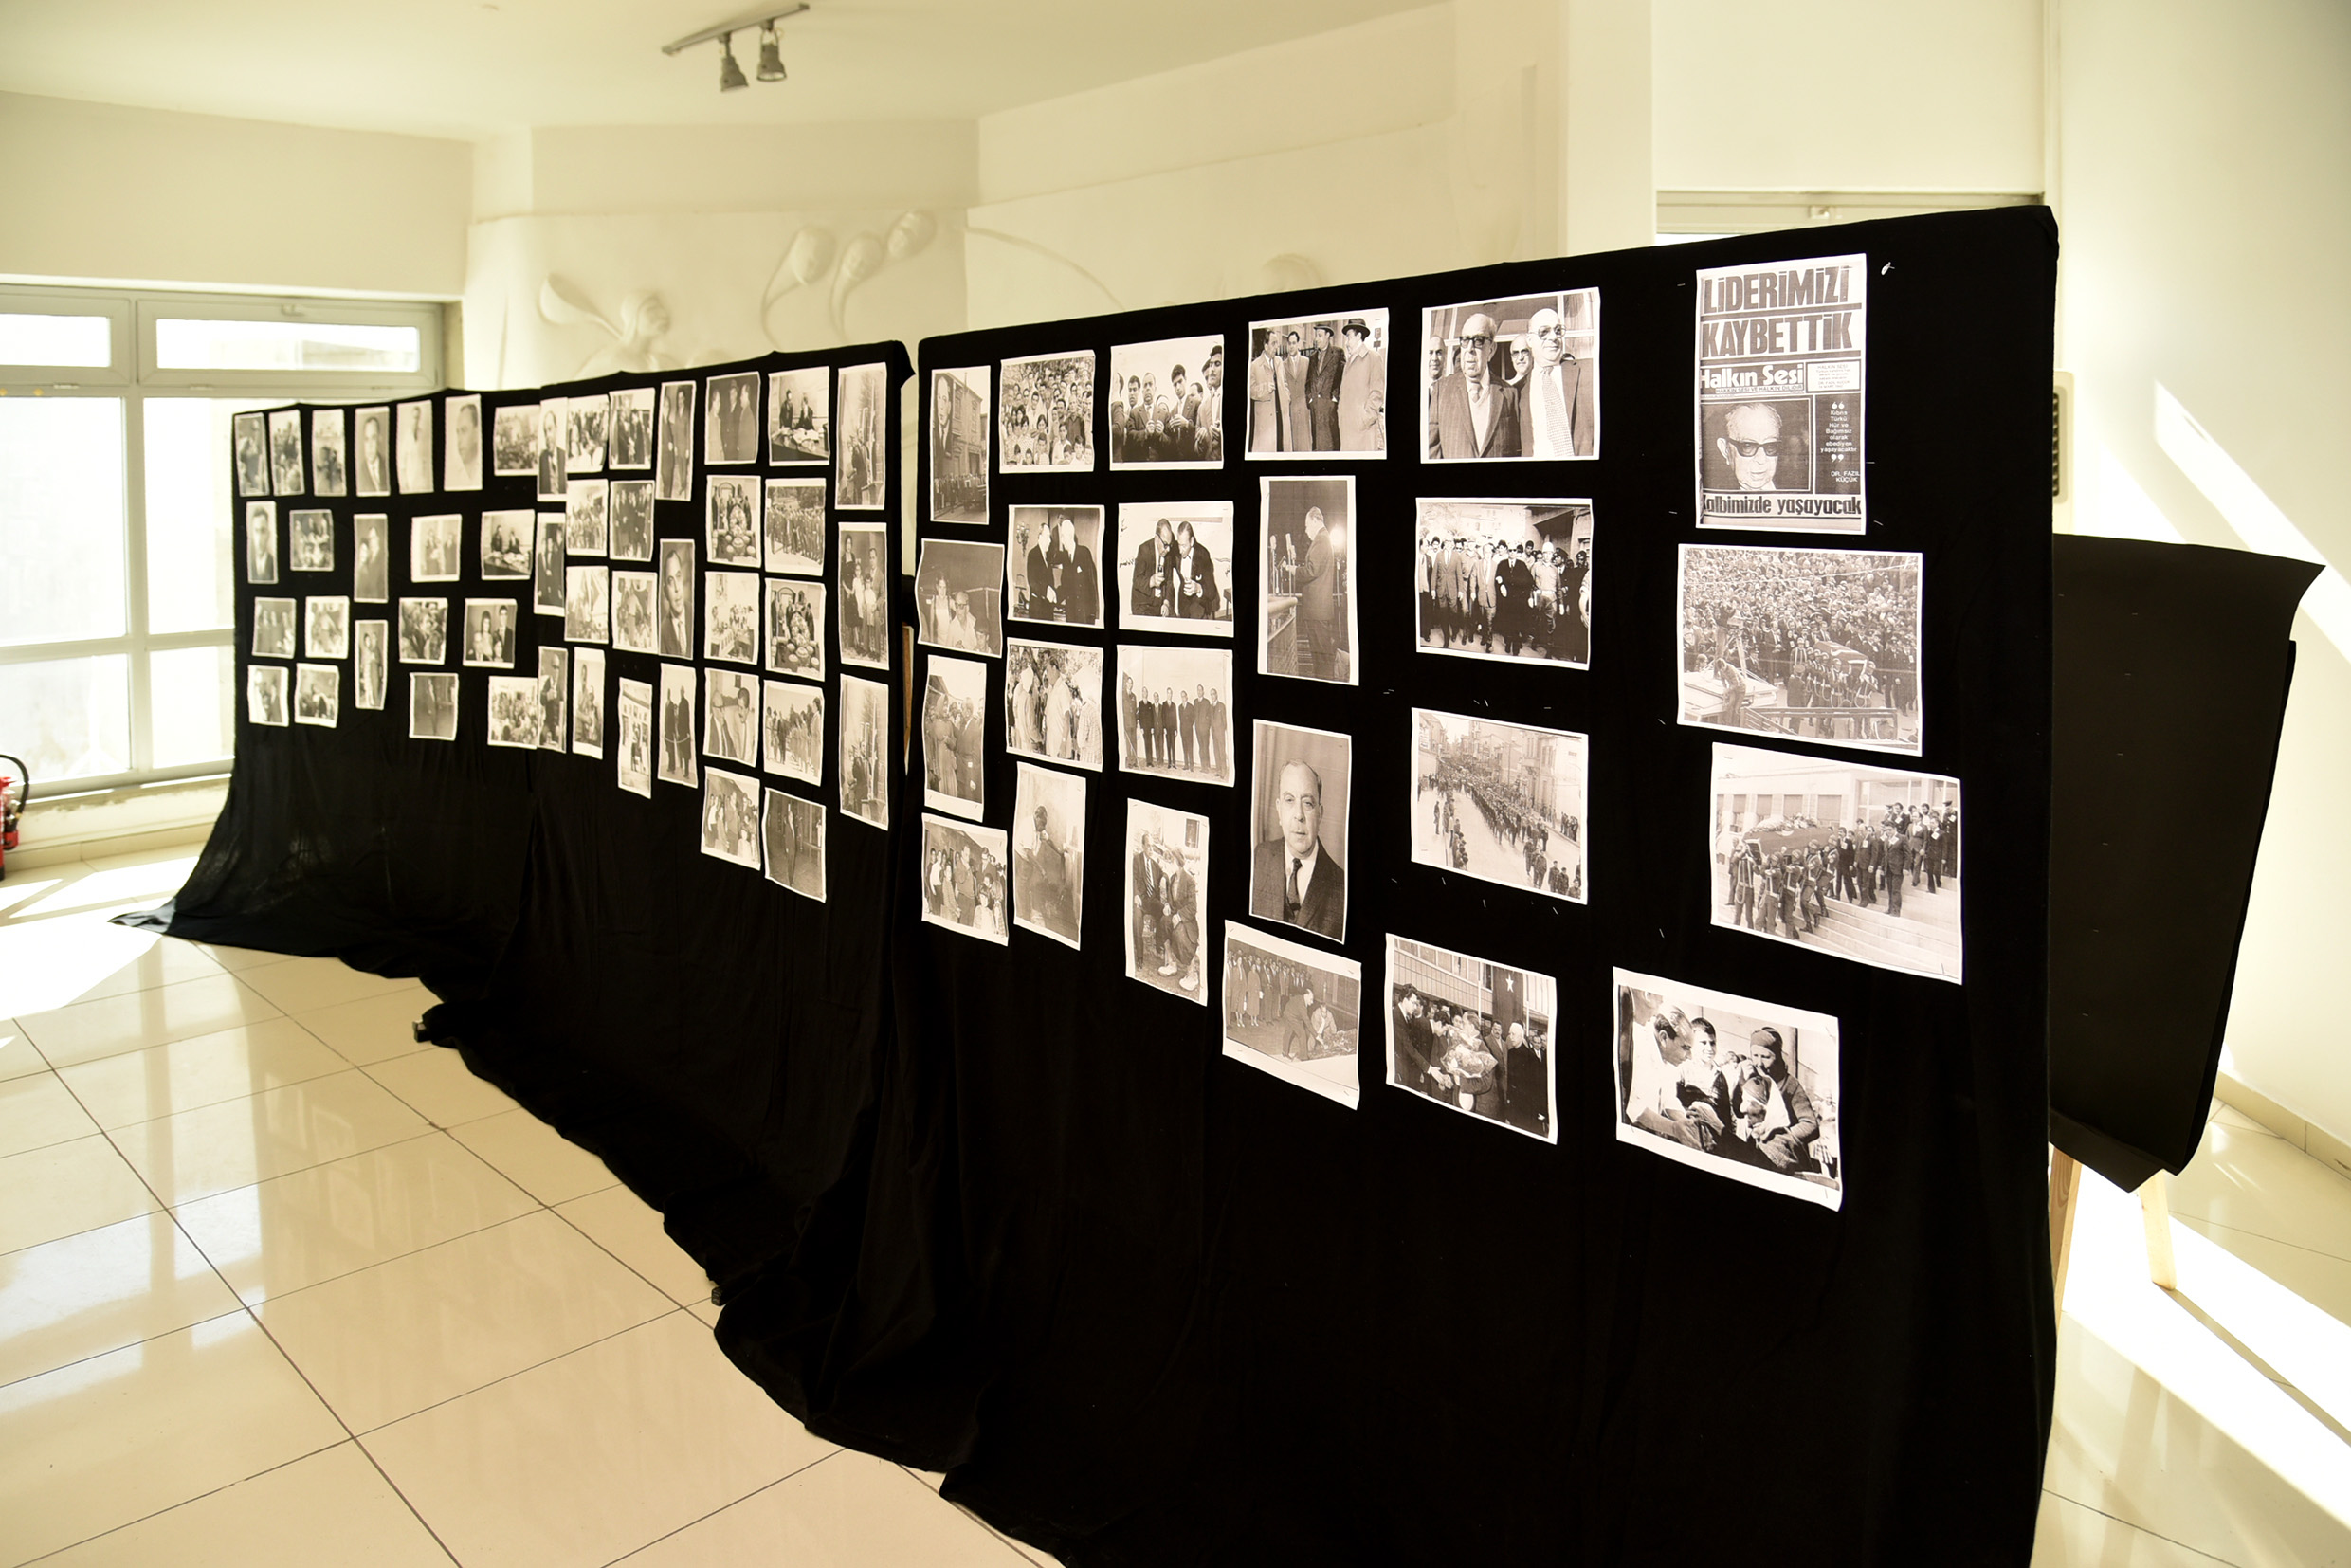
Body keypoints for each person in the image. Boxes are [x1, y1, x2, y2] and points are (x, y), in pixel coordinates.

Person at [1251, 759, 1344, 938]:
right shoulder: (1260, 857)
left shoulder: (1342, 889)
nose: (1299, 815)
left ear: (1320, 814)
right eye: (1289, 800)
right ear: (1279, 810)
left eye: (1308, 803)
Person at [1427, 313, 1522, 460]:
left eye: (1478, 341)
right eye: (1465, 341)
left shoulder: (1510, 394)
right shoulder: (1441, 391)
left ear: (1491, 349)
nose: (1469, 348)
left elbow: (1516, 452)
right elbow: (1431, 452)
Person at [1521, 306, 1595, 459]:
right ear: (1529, 340)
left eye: (1558, 330)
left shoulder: (1589, 371)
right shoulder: (1519, 391)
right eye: (1544, 332)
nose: (1554, 337)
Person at [1296, 507, 1339, 680]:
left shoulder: (1321, 539)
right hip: (1318, 611)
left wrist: (1294, 570)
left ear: (1315, 520)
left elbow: (1312, 570)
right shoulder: (1324, 538)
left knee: (1321, 658)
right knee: (1320, 656)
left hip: (1317, 611)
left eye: (1307, 526)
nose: (1306, 531)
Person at [1715, 402, 1788, 491]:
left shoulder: (1794, 484)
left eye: (1770, 446)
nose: (1761, 460)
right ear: (1725, 450)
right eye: (1748, 446)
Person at [1304, 323, 1344, 450]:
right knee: (1317, 445)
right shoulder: (1312, 357)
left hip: (1329, 407)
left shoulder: (1338, 353)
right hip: (1315, 408)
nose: (1316, 339)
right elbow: (1308, 381)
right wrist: (1310, 398)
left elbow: (1341, 377)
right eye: (1316, 335)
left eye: (1319, 335)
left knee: (1331, 444)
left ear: (1328, 335)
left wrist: (1334, 398)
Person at [1172, 519, 1220, 621]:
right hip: (1183, 598)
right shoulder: (1175, 549)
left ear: (1192, 541)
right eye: (1179, 544)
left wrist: (1198, 588)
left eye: (1184, 546)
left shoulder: (1203, 555)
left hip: (1200, 601)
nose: (1180, 550)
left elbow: (1211, 591)